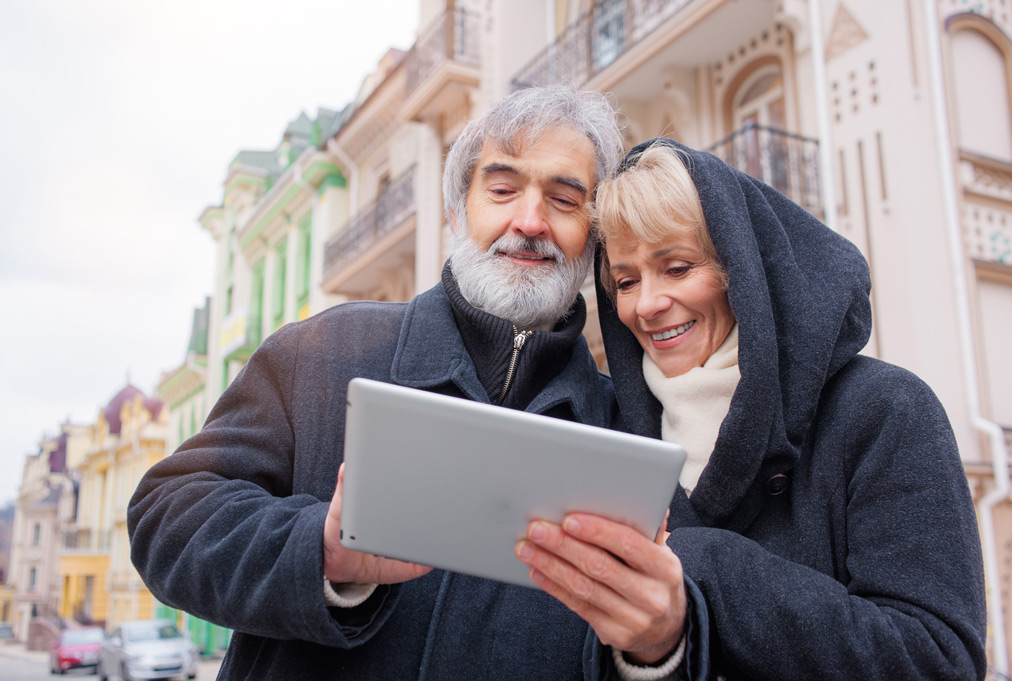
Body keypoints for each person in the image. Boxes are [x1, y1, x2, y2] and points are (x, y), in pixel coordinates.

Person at [128, 88, 705, 681]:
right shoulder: (323, 352)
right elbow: (163, 518)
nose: (530, 222)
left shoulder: (628, 427)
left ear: (593, 240)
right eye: (502, 190)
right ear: (458, 211)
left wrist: (656, 650)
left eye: (564, 199)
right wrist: (322, 552)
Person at [530, 138, 986, 679]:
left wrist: (699, 565)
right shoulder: (612, 435)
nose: (646, 305)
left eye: (677, 267)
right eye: (625, 282)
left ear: (742, 271)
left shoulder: (885, 412)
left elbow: (936, 660)